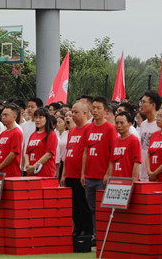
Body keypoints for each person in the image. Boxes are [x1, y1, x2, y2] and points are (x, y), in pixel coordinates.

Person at [80, 97, 117, 233]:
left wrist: (108, 173)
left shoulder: (110, 129)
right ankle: (96, 236)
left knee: (103, 209)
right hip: (89, 176)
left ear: (105, 110)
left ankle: (102, 236)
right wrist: (83, 173)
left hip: (102, 177)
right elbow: (85, 152)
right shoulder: (88, 128)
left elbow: (113, 154)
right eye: (93, 108)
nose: (95, 111)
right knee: (92, 209)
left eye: (98, 108)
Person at [60, 100, 92, 237]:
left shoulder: (89, 129)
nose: (72, 115)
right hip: (70, 174)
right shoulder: (72, 131)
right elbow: (68, 153)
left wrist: (84, 174)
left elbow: (86, 152)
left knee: (83, 205)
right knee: (73, 206)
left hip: (81, 175)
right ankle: (78, 228)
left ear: (85, 113)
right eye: (72, 112)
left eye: (76, 112)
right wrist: (63, 175)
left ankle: (87, 231)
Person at [25, 108, 58, 177]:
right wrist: (28, 166)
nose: (37, 120)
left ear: (47, 119)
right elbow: (27, 153)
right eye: (36, 117)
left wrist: (35, 166)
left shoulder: (51, 134)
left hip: (45, 172)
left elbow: (48, 154)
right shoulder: (33, 134)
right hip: (31, 172)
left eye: (40, 117)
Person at [0, 104, 23, 177]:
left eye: (6, 115)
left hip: (11, 172)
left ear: (14, 117)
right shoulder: (3, 133)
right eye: (2, 115)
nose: (3, 117)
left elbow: (13, 154)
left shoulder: (16, 132)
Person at [109, 111, 141, 179]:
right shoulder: (115, 141)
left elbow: (136, 164)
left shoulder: (134, 141)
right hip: (115, 181)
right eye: (117, 123)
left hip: (127, 181)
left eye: (122, 123)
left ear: (129, 124)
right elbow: (112, 162)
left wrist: (133, 182)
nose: (119, 125)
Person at [138, 92, 162, 181]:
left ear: (153, 105)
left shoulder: (160, 124)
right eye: (140, 102)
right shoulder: (143, 124)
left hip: (154, 172)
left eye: (144, 102)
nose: (141, 105)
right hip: (142, 171)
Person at [55, 110, 68, 179]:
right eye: (57, 122)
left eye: (60, 122)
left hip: (63, 162)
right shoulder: (55, 134)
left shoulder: (67, 134)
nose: (58, 124)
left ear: (65, 124)